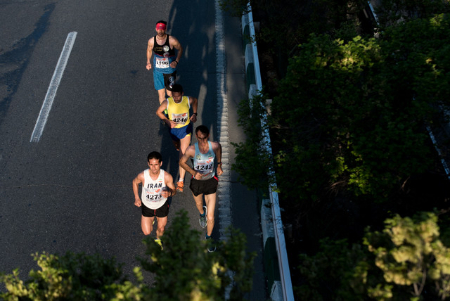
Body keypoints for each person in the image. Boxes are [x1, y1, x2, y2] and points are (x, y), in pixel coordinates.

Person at [179, 125, 223, 252]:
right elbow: (181, 162)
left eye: (204, 138)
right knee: (199, 204)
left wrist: (219, 165)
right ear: (196, 137)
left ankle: (208, 237)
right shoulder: (192, 149)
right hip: (197, 183)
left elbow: (219, 150)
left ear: (208, 136)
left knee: (211, 217)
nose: (202, 141)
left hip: (210, 182)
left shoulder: (214, 146)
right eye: (199, 138)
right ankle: (201, 214)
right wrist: (193, 172)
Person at [156, 84, 198, 192]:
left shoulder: (187, 99)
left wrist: (194, 113)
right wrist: (167, 121)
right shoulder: (168, 102)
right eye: (174, 96)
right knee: (177, 146)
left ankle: (181, 179)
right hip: (174, 130)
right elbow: (158, 112)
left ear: (182, 94)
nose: (176, 98)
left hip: (185, 130)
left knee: (182, 154)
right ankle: (177, 145)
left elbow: (195, 101)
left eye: (178, 96)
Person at [133, 151, 176, 249]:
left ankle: (158, 240)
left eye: (156, 165)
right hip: (147, 206)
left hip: (162, 205)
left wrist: (169, 193)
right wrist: (136, 198)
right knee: (147, 232)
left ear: (160, 163)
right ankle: (151, 219)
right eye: (151, 165)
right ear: (148, 164)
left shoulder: (166, 176)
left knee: (161, 228)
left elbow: (174, 191)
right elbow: (135, 182)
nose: (153, 168)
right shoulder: (143, 176)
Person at [146, 20, 183, 104]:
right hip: (157, 71)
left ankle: (173, 110)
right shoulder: (151, 41)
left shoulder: (171, 40)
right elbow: (149, 50)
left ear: (165, 29)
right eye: (159, 29)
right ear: (156, 29)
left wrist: (176, 61)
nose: (160, 31)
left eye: (162, 29)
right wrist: (148, 62)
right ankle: (165, 114)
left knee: (170, 93)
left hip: (169, 71)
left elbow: (180, 49)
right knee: (161, 94)